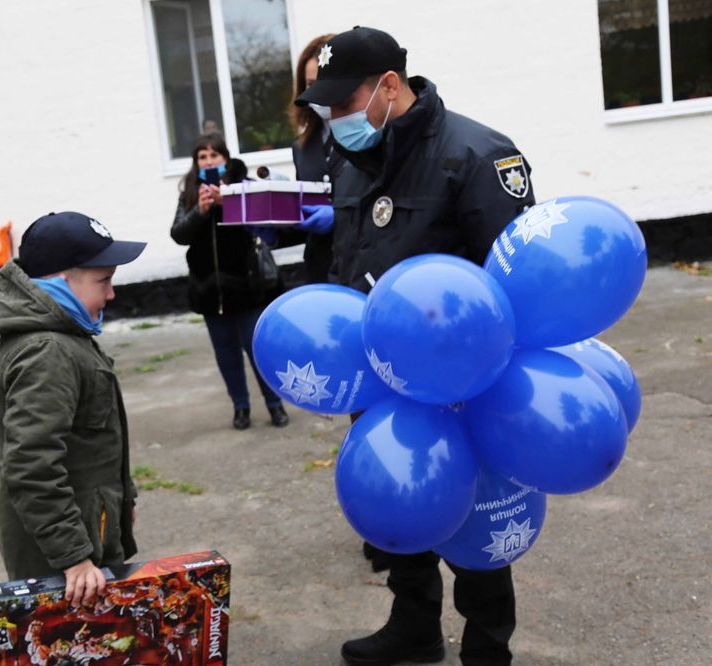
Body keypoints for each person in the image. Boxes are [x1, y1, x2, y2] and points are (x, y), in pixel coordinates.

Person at [295, 26, 537, 666]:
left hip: (462, 381)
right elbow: (351, 263)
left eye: (345, 104)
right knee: (399, 495)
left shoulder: (478, 155)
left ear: (389, 87)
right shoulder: (351, 163)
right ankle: (414, 625)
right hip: (379, 376)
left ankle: (488, 647)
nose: (335, 118)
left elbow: (514, 284)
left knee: (474, 508)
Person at [0, 211, 144, 606]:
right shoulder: (47, 351)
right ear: (62, 282)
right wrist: (74, 557)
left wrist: (121, 498)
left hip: (88, 524)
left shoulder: (64, 333)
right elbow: (32, 464)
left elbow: (93, 435)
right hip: (65, 555)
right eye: (104, 281)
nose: (111, 294)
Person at [171, 132, 289, 430]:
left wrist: (229, 202)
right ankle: (241, 407)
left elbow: (261, 225)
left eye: (214, 156)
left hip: (248, 286)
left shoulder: (242, 187)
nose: (208, 162)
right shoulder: (189, 192)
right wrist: (200, 211)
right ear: (195, 163)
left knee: (258, 351)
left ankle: (275, 404)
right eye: (202, 157)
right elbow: (178, 235)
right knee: (226, 356)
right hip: (209, 290)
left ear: (225, 158)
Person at [288, 33, 347, 283]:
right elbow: (307, 215)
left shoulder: (368, 134)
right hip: (320, 272)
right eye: (310, 85)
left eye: (322, 82)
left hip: (358, 269)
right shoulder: (302, 147)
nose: (317, 93)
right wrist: (275, 229)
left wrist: (338, 216)